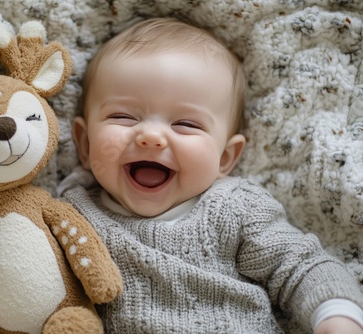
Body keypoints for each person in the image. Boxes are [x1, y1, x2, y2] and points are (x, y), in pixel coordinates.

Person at [60, 17, 363, 333]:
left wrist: (336, 316)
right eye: (123, 117)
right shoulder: (74, 216)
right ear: (85, 142)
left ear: (225, 157)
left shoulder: (235, 209)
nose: (150, 136)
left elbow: (301, 265)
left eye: (186, 124)